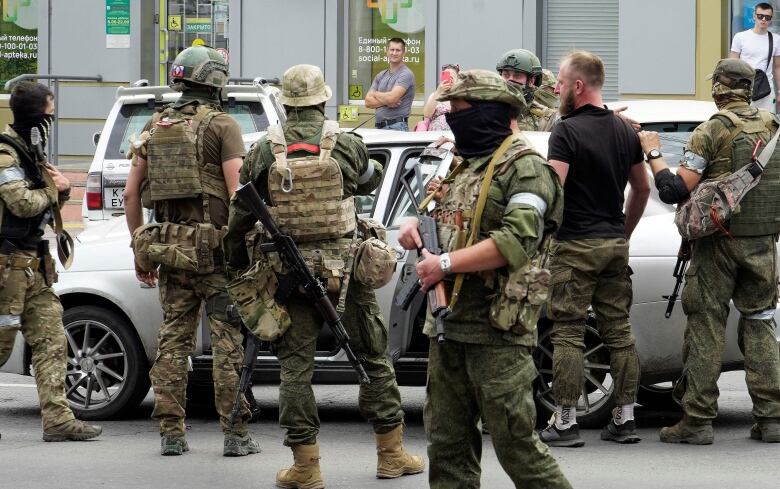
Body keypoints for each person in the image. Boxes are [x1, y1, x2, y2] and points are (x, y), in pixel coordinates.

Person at [224, 64, 424, 489]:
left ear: (286, 103)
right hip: (347, 273)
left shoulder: (264, 151)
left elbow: (240, 218)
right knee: (372, 357)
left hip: (289, 278)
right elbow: (366, 183)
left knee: (295, 370)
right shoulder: (346, 144)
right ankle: (391, 455)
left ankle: (306, 467)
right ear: (321, 100)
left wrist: (236, 266)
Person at [398, 69, 572, 489]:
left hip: (497, 332)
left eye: (458, 110)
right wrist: (413, 228)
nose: (451, 117)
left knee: (517, 446)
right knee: (447, 444)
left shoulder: (527, 169)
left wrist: (444, 265)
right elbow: (440, 216)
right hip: (449, 326)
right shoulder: (463, 163)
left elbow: (515, 241)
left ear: (489, 113)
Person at [123, 45, 259, 457]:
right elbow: (238, 194)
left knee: (173, 341)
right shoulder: (223, 125)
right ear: (216, 81)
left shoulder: (153, 126)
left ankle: (171, 434)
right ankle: (235, 435)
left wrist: (139, 249)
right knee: (226, 343)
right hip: (216, 254)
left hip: (169, 251)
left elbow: (131, 195)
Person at [638, 58, 780, 445]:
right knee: (761, 320)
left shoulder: (711, 131)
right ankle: (771, 418)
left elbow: (673, 191)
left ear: (720, 86)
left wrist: (653, 152)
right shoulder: (773, 128)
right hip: (765, 242)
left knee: (705, 325)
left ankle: (697, 421)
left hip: (718, 244)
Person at [539, 51, 650, 448]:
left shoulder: (566, 132)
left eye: (561, 82)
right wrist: (624, 230)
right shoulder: (624, 131)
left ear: (578, 86)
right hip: (613, 245)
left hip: (575, 245)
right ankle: (624, 419)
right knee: (619, 331)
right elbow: (643, 187)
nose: (556, 88)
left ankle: (566, 422)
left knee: (568, 333)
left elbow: (553, 190)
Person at [0, 81, 102, 442]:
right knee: (1, 346)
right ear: (34, 112)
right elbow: (21, 204)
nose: (52, 117)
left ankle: (57, 419)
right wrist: (53, 190)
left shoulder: (32, 152)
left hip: (33, 267)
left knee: (52, 339)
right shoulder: (6, 154)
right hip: (8, 267)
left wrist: (61, 190)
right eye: (49, 109)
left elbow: (47, 199)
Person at [730, 2, 780, 112]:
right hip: (744, 88)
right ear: (754, 16)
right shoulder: (740, 37)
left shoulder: (776, 39)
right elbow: (732, 65)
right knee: (744, 124)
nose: (763, 20)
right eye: (760, 16)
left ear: (771, 19)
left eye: (767, 17)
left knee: (768, 124)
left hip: (767, 90)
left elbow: (777, 67)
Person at [496, 48, 559, 132]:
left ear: (531, 81)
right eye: (506, 75)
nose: (510, 80)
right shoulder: (486, 113)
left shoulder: (548, 120)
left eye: (517, 76)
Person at [365, 37, 416, 131]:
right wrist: (387, 101)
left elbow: (392, 98)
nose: (394, 53)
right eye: (392, 50)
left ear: (404, 53)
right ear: (387, 51)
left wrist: (375, 93)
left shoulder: (406, 74)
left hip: (397, 126)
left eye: (398, 50)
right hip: (379, 127)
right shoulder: (381, 75)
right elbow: (368, 102)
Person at [422, 64, 459, 131]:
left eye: (452, 77)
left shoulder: (461, 95)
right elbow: (427, 115)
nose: (449, 80)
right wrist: (438, 92)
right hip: (435, 134)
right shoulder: (435, 95)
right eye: (447, 77)